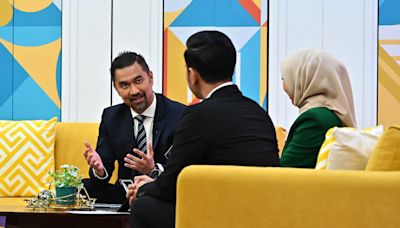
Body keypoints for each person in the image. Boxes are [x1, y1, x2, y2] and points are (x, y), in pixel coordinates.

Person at [127, 31, 280, 228]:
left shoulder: (198, 115)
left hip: (218, 216)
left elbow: (173, 183)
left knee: (143, 207)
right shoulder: (258, 112)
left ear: (193, 74)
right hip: (261, 215)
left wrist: (143, 188)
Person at [83, 52, 185, 203]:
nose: (134, 91)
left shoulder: (179, 115)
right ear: (116, 88)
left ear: (150, 77)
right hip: (125, 193)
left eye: (138, 81)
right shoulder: (111, 117)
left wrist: (153, 170)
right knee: (84, 188)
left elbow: (184, 170)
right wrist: (99, 169)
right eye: (124, 85)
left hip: (162, 190)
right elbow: (104, 172)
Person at [279, 49, 357, 168]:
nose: (284, 87)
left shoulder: (315, 120)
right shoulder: (332, 115)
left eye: (284, 79)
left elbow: (284, 171)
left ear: (304, 78)